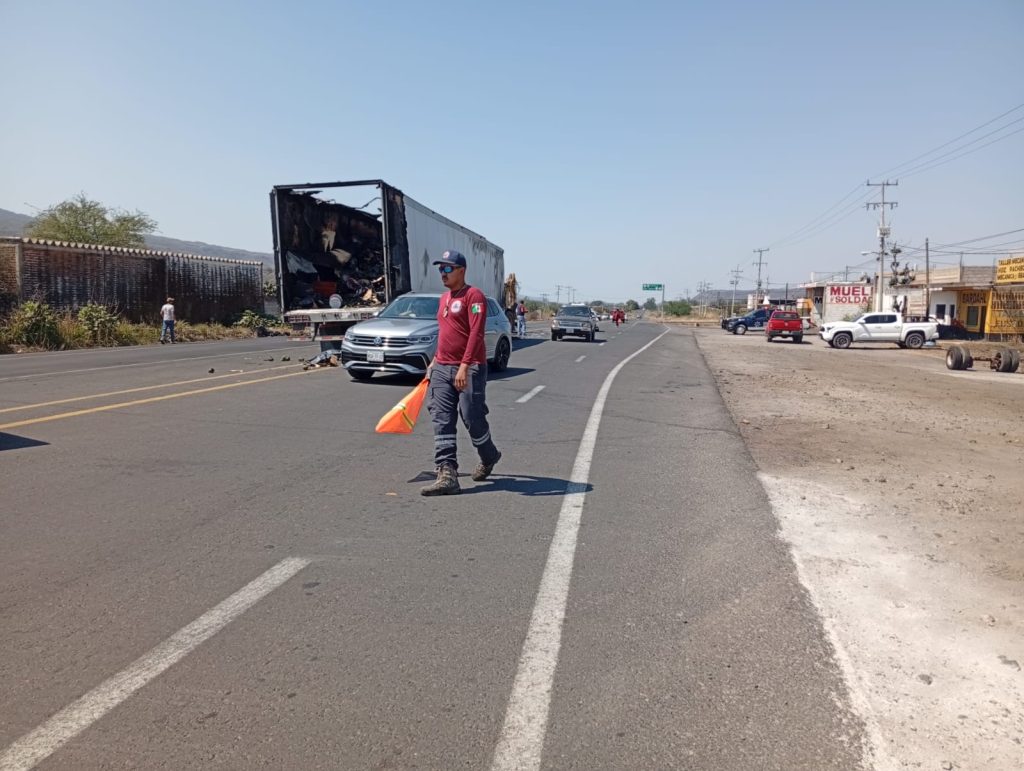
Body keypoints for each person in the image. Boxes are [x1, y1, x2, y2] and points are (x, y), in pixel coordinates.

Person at [421, 250, 502, 496]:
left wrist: (465, 367)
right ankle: (447, 473)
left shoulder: (473, 296)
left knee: (471, 416)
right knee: (442, 418)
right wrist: (434, 361)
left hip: (470, 367)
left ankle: (489, 455)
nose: (442, 274)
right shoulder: (444, 299)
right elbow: (446, 334)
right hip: (442, 368)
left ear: (461, 270)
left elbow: (476, 334)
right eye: (440, 269)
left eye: (447, 269)